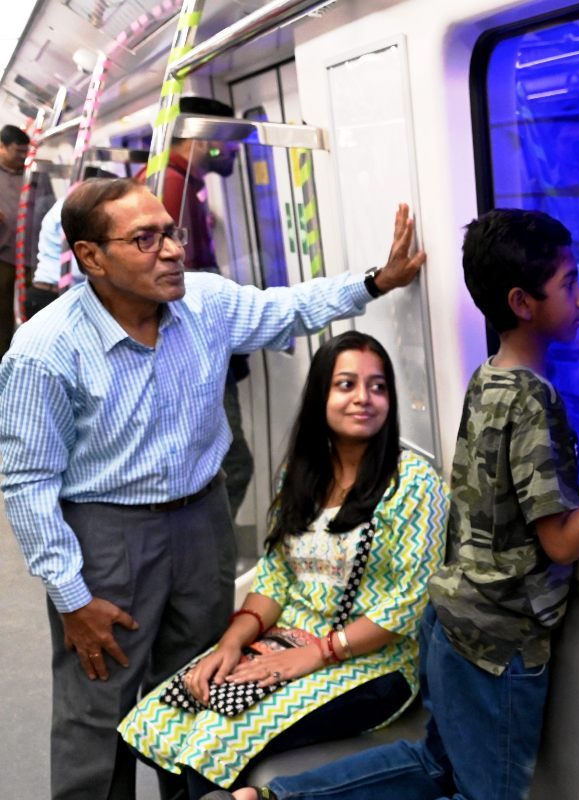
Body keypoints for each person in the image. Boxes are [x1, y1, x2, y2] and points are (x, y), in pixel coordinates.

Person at [212, 208, 579, 800]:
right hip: (499, 644)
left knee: (435, 763)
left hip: (453, 620)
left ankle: (275, 798)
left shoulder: (488, 378)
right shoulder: (530, 402)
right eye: (569, 283)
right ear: (522, 302)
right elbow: (561, 540)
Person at [0, 177, 427, 800]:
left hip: (202, 520)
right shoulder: (45, 351)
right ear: (91, 257)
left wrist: (374, 282)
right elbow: (28, 480)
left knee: (198, 679)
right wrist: (71, 596)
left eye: (169, 232)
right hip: (106, 533)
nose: (171, 250)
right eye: (145, 239)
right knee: (98, 705)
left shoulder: (205, 304)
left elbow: (288, 306)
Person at [119, 330, 449, 798]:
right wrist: (230, 645)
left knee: (214, 738)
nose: (364, 399)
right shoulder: (301, 474)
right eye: (347, 385)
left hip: (373, 665)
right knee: (171, 713)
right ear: (320, 396)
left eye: (378, 387)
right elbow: (274, 578)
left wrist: (316, 653)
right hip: (286, 640)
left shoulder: (414, 483)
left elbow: (409, 605)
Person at [137, 96, 254, 517]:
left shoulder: (179, 184)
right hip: (191, 345)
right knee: (233, 464)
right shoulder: (169, 188)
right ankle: (204, 557)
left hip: (192, 341)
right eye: (229, 140)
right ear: (203, 140)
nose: (235, 150)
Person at [26, 169, 108, 318]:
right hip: (53, 294)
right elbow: (77, 265)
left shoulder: (65, 205)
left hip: (47, 291)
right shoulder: (73, 210)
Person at [0, 124, 31, 356]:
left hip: (30, 256)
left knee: (31, 309)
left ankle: (26, 353)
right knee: (2, 311)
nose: (23, 157)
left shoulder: (33, 174)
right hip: (2, 254)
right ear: (1, 148)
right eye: (17, 151)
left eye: (25, 152)